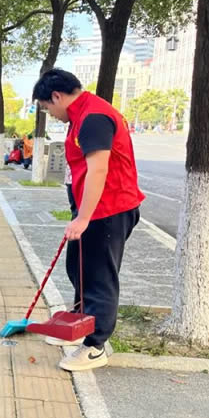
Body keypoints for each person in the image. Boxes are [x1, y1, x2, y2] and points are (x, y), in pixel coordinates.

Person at [32, 68, 144, 371]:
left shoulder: (93, 117)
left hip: (107, 212)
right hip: (92, 210)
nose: (50, 114)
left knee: (99, 278)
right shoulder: (81, 115)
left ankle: (95, 345)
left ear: (57, 96)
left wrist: (83, 218)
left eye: (46, 107)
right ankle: (79, 324)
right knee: (78, 268)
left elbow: (98, 170)